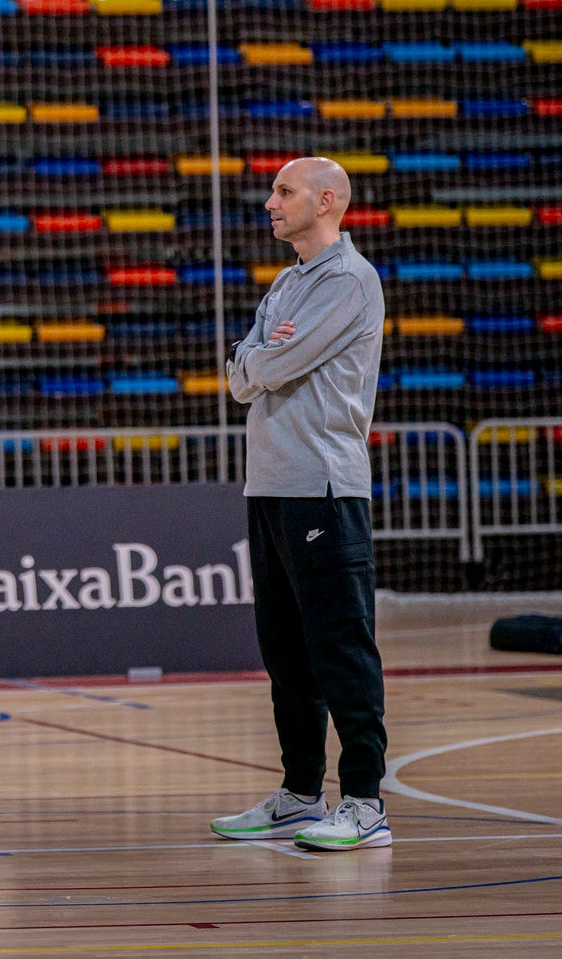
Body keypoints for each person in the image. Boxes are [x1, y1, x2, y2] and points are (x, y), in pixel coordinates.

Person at [210, 156, 391, 852]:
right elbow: (240, 373)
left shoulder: (348, 280)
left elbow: (266, 366)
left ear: (326, 199)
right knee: (285, 653)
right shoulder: (286, 284)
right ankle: (299, 793)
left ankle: (367, 803)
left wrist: (259, 357)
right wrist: (259, 357)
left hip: (323, 486)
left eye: (283, 191)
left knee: (340, 647)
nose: (269, 202)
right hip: (270, 487)